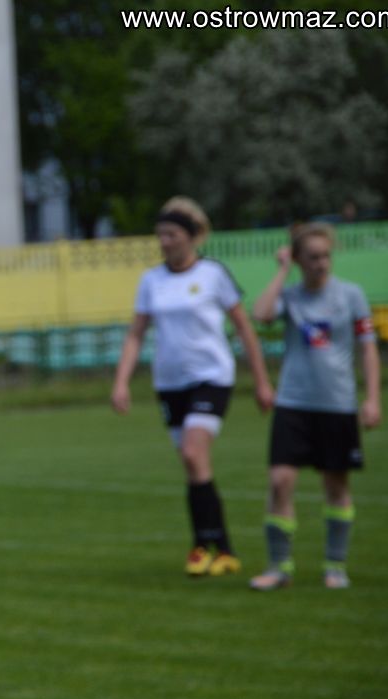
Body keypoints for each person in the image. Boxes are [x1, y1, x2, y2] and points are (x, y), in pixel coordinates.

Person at [112, 196, 275, 577]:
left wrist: (262, 382)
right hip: (170, 383)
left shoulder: (213, 274)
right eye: (160, 235)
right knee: (193, 464)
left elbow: (244, 328)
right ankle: (219, 549)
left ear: (190, 236)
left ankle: (205, 547)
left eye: (171, 234)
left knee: (192, 451)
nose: (164, 242)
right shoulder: (151, 280)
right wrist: (121, 383)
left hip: (212, 377)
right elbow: (136, 334)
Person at [248, 223, 381, 590]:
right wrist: (281, 271)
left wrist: (372, 398)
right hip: (293, 403)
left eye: (326, 256)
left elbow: (368, 348)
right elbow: (261, 314)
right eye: (313, 257)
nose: (321, 263)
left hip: (337, 404)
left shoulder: (351, 295)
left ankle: (335, 566)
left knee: (336, 484)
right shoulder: (290, 296)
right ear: (298, 259)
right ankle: (279, 567)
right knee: (280, 481)